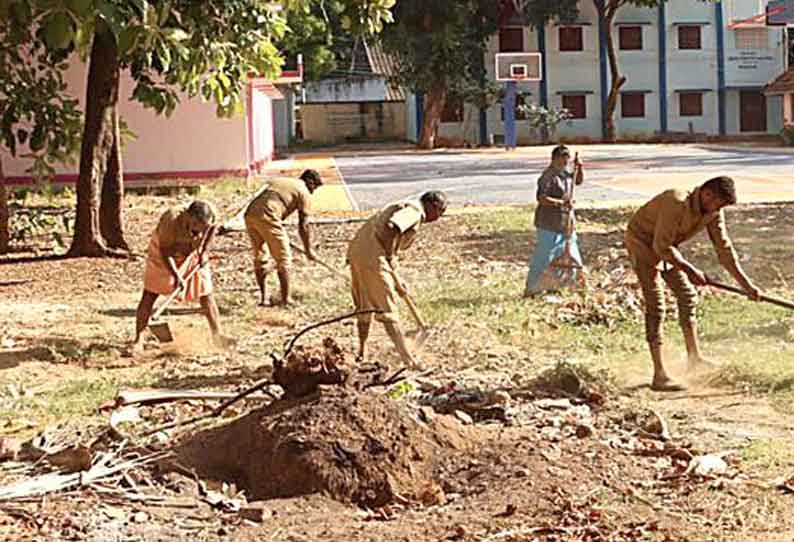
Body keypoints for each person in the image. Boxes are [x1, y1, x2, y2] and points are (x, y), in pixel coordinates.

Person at [625, 176, 761, 391]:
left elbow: (724, 249)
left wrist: (747, 286)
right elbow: (661, 246)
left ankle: (694, 357)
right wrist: (690, 270)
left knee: (687, 296)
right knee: (656, 306)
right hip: (642, 244)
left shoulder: (712, 211)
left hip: (668, 248)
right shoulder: (676, 202)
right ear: (707, 194)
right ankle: (659, 374)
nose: (718, 210)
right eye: (718, 204)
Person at [347, 191, 448, 368]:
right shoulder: (415, 211)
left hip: (359, 251)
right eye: (441, 211)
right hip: (373, 256)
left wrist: (395, 274)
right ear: (432, 205)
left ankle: (362, 352)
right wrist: (390, 256)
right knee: (388, 309)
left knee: (365, 307)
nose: (439, 217)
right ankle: (408, 359)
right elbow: (392, 227)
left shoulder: (406, 205)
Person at [130, 200, 225, 354]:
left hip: (193, 250)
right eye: (196, 226)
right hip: (164, 252)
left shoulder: (212, 215)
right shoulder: (170, 220)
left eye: (204, 227)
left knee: (206, 291)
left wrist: (204, 252)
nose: (200, 231)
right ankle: (138, 340)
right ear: (188, 216)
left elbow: (212, 230)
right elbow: (165, 252)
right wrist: (177, 276)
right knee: (150, 293)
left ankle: (217, 335)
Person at [244, 169, 323, 306]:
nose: (313, 192)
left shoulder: (282, 181)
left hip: (250, 214)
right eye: (314, 188)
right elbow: (303, 225)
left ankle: (264, 299)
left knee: (260, 257)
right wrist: (308, 250)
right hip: (269, 214)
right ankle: (286, 300)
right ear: (310, 182)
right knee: (284, 259)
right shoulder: (303, 191)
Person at [524, 145, 585, 296]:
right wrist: (560, 203)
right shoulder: (548, 176)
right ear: (554, 160)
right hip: (548, 224)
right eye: (561, 162)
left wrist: (580, 167)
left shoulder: (565, 174)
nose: (564, 165)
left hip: (566, 223)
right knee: (544, 256)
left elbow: (577, 181)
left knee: (570, 253)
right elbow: (541, 198)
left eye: (566, 162)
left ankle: (567, 285)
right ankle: (532, 288)